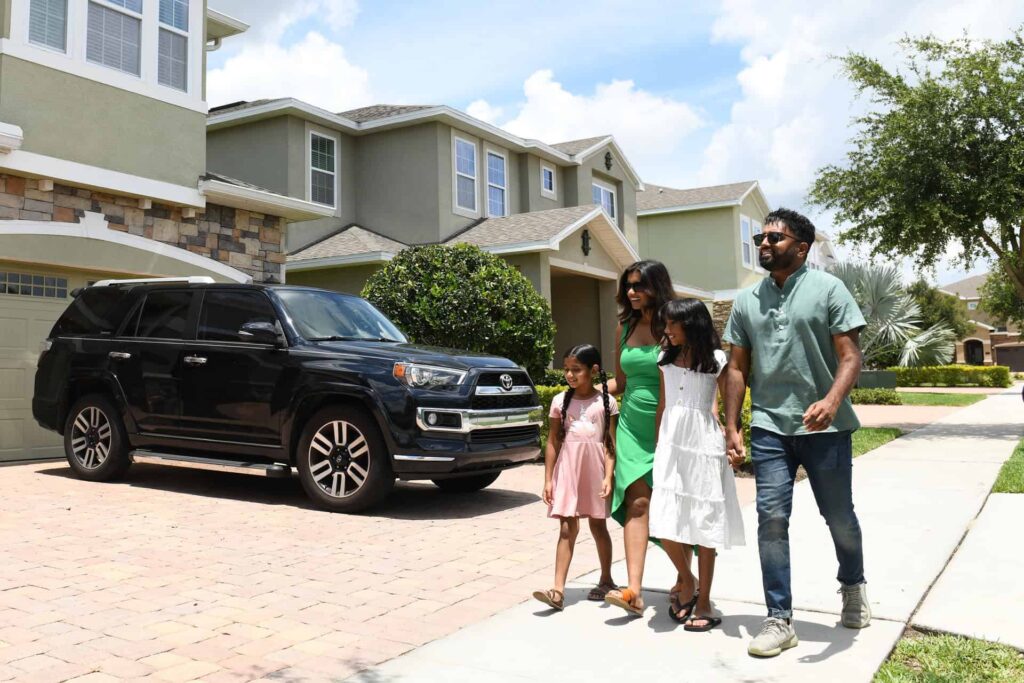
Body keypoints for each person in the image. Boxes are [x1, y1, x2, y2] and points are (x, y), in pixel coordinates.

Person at [722, 208, 870, 658]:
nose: (763, 244)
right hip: (770, 425)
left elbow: (849, 357)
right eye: (759, 237)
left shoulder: (829, 289)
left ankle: (852, 585)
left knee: (839, 516)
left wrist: (830, 401)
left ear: (801, 248)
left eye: (774, 238)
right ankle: (779, 618)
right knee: (771, 518)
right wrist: (732, 424)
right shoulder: (747, 300)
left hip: (825, 427)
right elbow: (736, 368)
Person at [602, 260, 692, 617]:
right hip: (632, 428)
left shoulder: (676, 324)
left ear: (658, 286)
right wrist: (587, 393)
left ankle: (686, 579)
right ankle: (633, 590)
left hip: (671, 423)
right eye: (628, 285)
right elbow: (621, 385)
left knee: (675, 506)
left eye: (639, 285)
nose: (632, 292)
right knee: (638, 504)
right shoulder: (624, 326)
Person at [650, 299, 745, 631]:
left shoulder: (717, 360)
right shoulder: (665, 358)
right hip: (671, 444)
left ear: (690, 324)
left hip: (704, 444)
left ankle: (704, 602)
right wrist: (658, 446)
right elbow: (663, 404)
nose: (666, 330)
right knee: (662, 519)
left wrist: (734, 435)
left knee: (704, 520)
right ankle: (688, 581)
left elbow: (731, 399)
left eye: (672, 324)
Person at [533, 344, 618, 611]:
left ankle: (606, 579)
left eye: (576, 370)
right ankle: (558, 591)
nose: (570, 375)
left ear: (593, 371)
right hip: (568, 471)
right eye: (567, 370)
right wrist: (548, 479)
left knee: (598, 526)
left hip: (595, 472)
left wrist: (609, 477)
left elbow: (610, 443)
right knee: (567, 528)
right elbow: (552, 442)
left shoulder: (607, 402)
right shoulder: (559, 401)